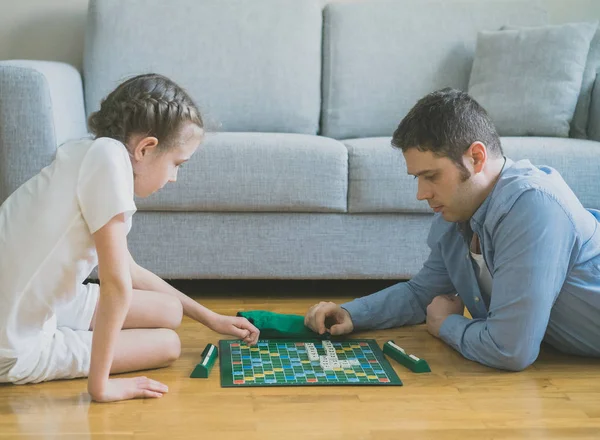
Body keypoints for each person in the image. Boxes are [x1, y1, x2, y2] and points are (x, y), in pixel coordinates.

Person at [0, 73, 259, 402]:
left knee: (169, 311)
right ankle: (75, 352)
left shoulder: (92, 152)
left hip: (26, 305)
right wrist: (101, 386)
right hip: (12, 345)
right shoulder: (108, 163)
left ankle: (74, 333)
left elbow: (130, 271)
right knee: (169, 344)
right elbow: (117, 285)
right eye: (177, 164)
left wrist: (211, 318)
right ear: (146, 148)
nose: (174, 177)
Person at [305, 88, 600, 371]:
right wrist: (351, 314)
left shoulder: (533, 205)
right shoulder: (459, 213)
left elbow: (511, 349)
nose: (421, 193)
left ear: (476, 158)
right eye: (417, 178)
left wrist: (446, 325)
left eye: (431, 176)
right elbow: (421, 294)